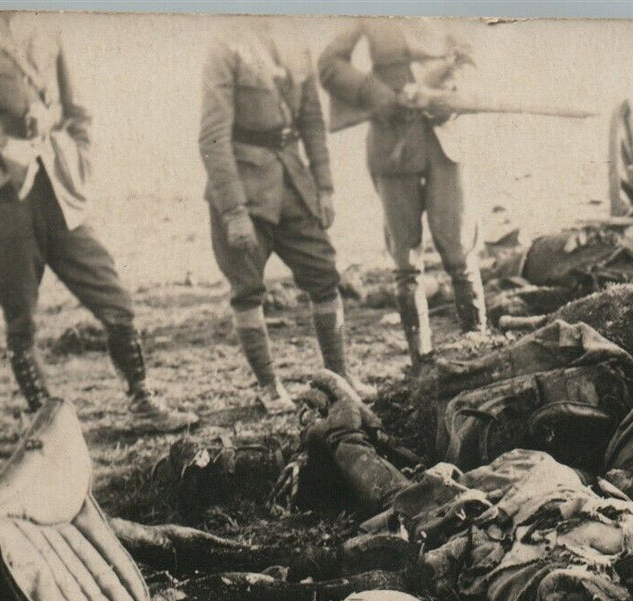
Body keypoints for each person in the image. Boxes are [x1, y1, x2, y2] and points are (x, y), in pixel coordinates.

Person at [0, 11, 198, 430]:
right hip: (10, 198)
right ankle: (44, 423)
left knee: (115, 299)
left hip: (58, 187)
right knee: (19, 318)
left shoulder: (45, 23)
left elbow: (78, 115)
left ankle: (142, 400)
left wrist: (79, 161)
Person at [199, 20, 360, 414]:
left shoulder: (294, 40)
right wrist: (234, 210)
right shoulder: (226, 45)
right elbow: (213, 136)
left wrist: (324, 187)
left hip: (293, 182)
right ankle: (270, 387)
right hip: (244, 187)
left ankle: (339, 377)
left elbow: (312, 123)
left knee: (324, 274)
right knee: (248, 289)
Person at [318, 19, 488, 369]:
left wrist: (452, 93)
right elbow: (329, 64)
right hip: (392, 139)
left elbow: (470, 57)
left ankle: (478, 344)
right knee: (406, 258)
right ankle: (421, 361)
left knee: (459, 248)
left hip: (445, 140)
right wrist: (372, 91)